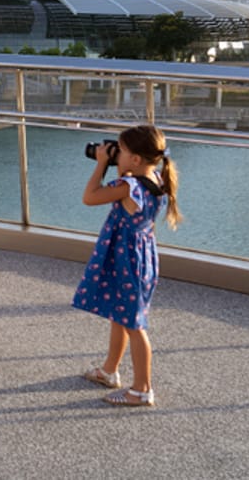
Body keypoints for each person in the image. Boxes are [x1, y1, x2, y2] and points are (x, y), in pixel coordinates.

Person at [73, 123, 182, 406]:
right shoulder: (155, 179)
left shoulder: (126, 186)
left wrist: (100, 165)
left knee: (134, 324)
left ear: (135, 159)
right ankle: (109, 370)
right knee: (120, 315)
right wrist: (118, 164)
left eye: (119, 151)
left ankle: (142, 389)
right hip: (141, 254)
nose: (114, 154)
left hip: (125, 258)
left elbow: (89, 197)